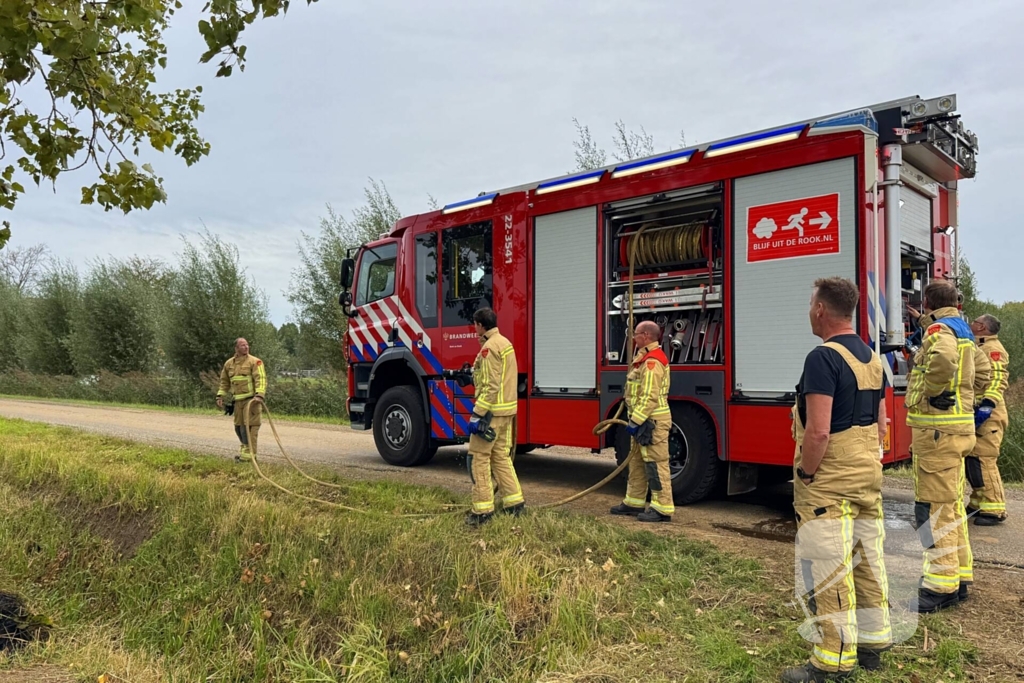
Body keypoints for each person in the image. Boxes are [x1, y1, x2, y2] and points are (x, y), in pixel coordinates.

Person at [781, 277, 891, 683]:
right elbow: (881, 424)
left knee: (829, 564)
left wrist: (807, 473)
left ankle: (834, 658)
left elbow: (819, 431)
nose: (810, 311)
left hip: (831, 479)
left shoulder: (822, 358)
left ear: (822, 310)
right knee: (868, 557)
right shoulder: (872, 358)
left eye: (811, 304)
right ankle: (874, 640)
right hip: (867, 472)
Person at [905, 280, 976, 613]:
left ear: (929, 301)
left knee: (934, 511)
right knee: (951, 507)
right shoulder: (963, 330)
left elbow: (943, 358)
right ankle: (959, 578)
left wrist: (932, 390)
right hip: (957, 432)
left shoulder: (939, 331)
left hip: (937, 433)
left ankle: (939, 586)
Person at [610, 319, 674, 523]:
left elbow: (649, 396)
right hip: (644, 420)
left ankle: (662, 508)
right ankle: (634, 502)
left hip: (651, 422)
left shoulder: (652, 362)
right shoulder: (644, 358)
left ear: (646, 336)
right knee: (637, 461)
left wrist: (636, 421)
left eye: (636, 334)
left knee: (656, 464)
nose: (633, 337)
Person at [465, 307, 524, 526]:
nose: (474, 328)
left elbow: (491, 386)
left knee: (479, 459)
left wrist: (477, 414)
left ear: (480, 325)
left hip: (491, 413)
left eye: (475, 325)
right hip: (506, 411)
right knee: (500, 457)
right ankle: (514, 503)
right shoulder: (505, 343)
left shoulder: (489, 348)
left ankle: (482, 511)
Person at [967, 313, 1010, 525]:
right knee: (973, 460)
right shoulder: (979, 345)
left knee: (984, 461)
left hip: (989, 415)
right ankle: (977, 503)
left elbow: (998, 379)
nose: (971, 324)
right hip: (979, 412)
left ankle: (994, 509)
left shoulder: (992, 349)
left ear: (982, 327)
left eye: (974, 322)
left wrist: (987, 404)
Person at [216, 337, 267, 462]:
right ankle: (245, 451)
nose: (246, 347)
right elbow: (224, 381)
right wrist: (220, 395)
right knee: (238, 427)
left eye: (247, 345)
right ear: (236, 348)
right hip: (238, 402)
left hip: (252, 401)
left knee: (249, 428)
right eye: (243, 345)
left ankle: (250, 455)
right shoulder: (229, 364)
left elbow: (261, 378)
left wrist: (259, 395)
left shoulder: (255, 362)